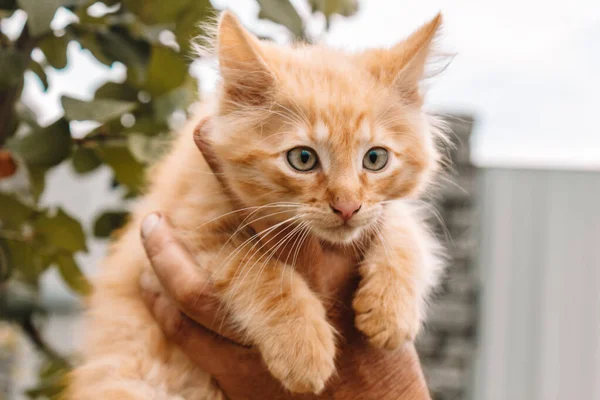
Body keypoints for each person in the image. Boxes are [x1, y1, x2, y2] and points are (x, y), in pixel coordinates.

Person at [138, 211, 432, 399]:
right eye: (304, 158)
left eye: (373, 159)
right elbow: (201, 234)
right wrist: (278, 307)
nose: (348, 205)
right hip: (153, 375)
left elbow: (392, 214)